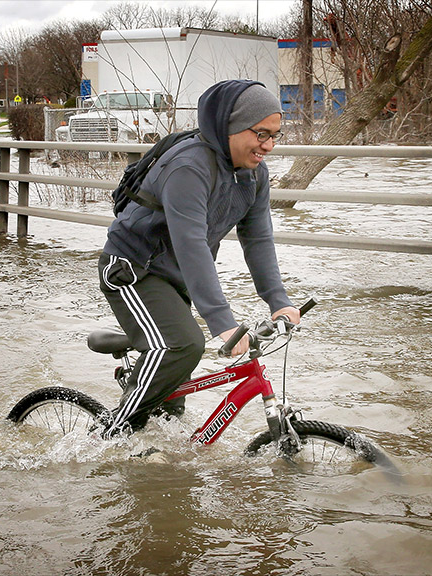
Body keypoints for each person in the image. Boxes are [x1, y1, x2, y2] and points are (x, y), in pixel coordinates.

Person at [97, 79, 300, 438]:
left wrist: (278, 300)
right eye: (260, 134)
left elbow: (258, 237)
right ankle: (109, 435)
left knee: (170, 407)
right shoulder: (189, 166)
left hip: (177, 277)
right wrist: (221, 320)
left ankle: (158, 470)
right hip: (133, 269)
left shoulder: (254, 173)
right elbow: (190, 241)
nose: (268, 145)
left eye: (275, 135)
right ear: (231, 127)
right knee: (184, 345)